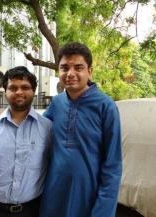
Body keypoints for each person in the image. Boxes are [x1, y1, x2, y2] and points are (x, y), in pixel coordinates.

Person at [39, 42, 122, 217]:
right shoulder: (57, 103)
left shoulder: (106, 106)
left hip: (88, 197)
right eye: (64, 68)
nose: (70, 74)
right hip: (54, 195)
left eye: (78, 68)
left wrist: (104, 211)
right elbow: (33, 127)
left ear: (89, 72)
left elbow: (113, 165)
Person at [0, 66, 52, 217]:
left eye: (25, 87)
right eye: (13, 87)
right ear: (5, 92)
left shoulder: (47, 129)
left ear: (33, 91)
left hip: (31, 211)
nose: (19, 92)